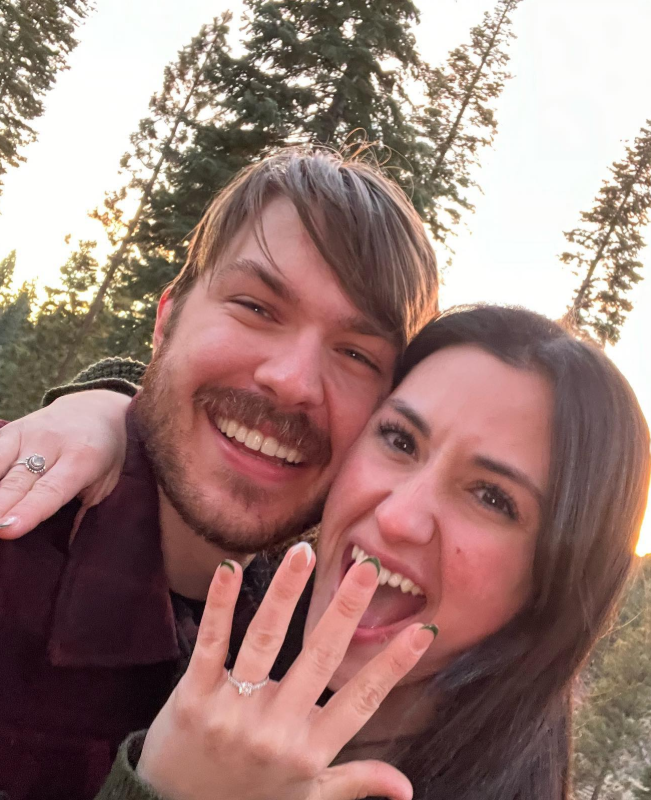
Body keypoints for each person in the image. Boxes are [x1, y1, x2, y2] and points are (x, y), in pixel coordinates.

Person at [3, 306, 650, 800]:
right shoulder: (225, 619)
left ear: (554, 585)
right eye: (399, 439)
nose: (397, 516)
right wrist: (108, 410)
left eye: (491, 497)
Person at [0, 147, 439, 800]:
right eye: (256, 307)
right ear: (166, 320)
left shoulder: (325, 651)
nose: (292, 382)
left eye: (354, 353)